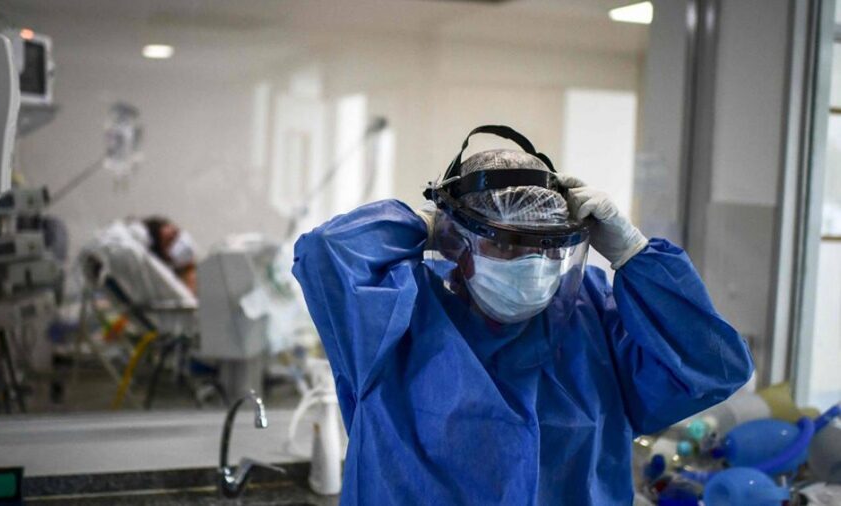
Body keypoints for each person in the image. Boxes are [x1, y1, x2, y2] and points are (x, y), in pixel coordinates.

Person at [291, 126, 754, 505]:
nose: (534, 263)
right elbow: (326, 254)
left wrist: (633, 253)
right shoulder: (397, 318)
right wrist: (430, 224)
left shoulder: (591, 313)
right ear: (459, 244)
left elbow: (712, 368)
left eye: (548, 245)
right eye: (508, 244)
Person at [139, 216, 198, 293]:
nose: (181, 241)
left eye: (177, 233)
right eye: (171, 241)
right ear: (162, 258)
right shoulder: (177, 292)